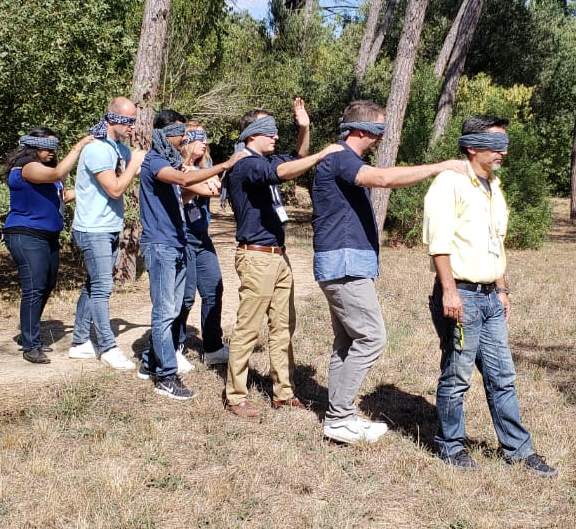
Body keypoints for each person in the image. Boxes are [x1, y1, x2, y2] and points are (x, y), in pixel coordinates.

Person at [311, 100, 465, 445]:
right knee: (371, 337)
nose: (381, 140)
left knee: (348, 340)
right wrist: (438, 167)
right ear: (362, 130)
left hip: (344, 263)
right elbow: (381, 178)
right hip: (344, 264)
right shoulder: (340, 156)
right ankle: (338, 419)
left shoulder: (343, 158)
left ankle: (342, 414)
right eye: (379, 131)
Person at [422, 115, 558, 477]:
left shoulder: (493, 185)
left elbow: (494, 243)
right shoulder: (449, 183)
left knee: (503, 376)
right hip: (460, 296)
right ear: (471, 146)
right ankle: (450, 446)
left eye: (505, 142)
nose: (504, 151)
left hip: (491, 298)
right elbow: (439, 244)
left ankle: (517, 449)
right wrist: (450, 292)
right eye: (496, 144)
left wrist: (502, 288)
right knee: (457, 376)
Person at [223, 98, 342, 419]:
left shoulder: (263, 160)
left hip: (278, 256)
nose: (275, 136)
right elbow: (283, 171)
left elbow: (294, 159)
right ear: (251, 134)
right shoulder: (245, 164)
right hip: (256, 257)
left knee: (283, 327)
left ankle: (283, 393)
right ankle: (235, 397)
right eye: (269, 131)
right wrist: (323, 154)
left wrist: (304, 128)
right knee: (248, 328)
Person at [138, 109, 245, 401]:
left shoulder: (171, 161)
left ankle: (150, 363)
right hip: (160, 245)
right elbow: (183, 182)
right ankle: (166, 376)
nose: (183, 137)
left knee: (174, 307)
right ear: (161, 133)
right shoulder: (154, 161)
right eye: (178, 132)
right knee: (165, 311)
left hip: (175, 242)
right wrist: (225, 163)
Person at [3, 128, 93, 364]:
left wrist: (95, 187)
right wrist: (79, 146)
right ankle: (31, 344)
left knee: (47, 284)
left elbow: (61, 195)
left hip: (47, 235)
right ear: (33, 147)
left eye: (54, 148)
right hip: (26, 234)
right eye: (47, 148)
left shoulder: (43, 172)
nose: (52, 152)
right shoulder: (26, 166)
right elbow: (57, 174)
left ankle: (28, 334)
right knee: (34, 286)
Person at [69, 97, 147, 369]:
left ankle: (79, 342)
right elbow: (115, 188)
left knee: (93, 285)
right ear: (112, 119)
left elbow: (136, 174)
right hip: (93, 229)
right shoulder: (97, 150)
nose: (132, 127)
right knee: (103, 286)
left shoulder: (118, 147)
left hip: (109, 226)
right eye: (128, 122)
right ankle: (107, 346)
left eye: (134, 122)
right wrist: (134, 162)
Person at [171, 122, 228, 369]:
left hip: (202, 239)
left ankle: (213, 346)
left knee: (214, 289)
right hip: (182, 237)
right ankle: (174, 347)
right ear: (186, 142)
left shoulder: (204, 168)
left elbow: (213, 185)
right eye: (198, 138)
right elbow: (201, 188)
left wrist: (209, 177)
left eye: (206, 137)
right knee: (185, 298)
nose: (204, 142)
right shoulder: (177, 169)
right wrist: (209, 181)